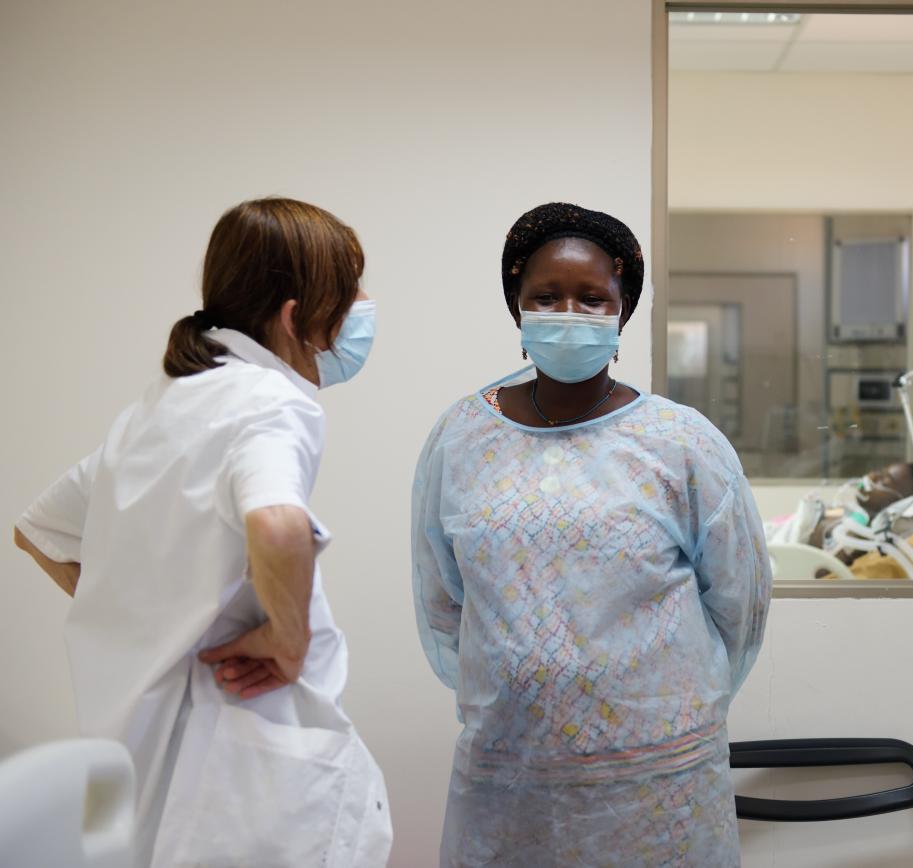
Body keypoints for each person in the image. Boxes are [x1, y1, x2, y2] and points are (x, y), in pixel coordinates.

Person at [13, 198, 392, 867]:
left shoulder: (161, 408)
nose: (364, 304)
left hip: (140, 771)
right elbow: (277, 524)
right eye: (349, 291)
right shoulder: (268, 402)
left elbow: (41, 531)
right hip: (234, 776)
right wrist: (286, 640)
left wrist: (149, 618)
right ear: (294, 317)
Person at [412, 202, 772, 867]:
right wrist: (517, 699)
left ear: (622, 312)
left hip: (659, 787)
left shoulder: (681, 443)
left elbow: (741, 604)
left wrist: (663, 709)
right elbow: (442, 599)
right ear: (518, 310)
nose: (569, 314)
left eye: (591, 298)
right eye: (546, 297)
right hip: (509, 779)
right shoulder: (460, 438)